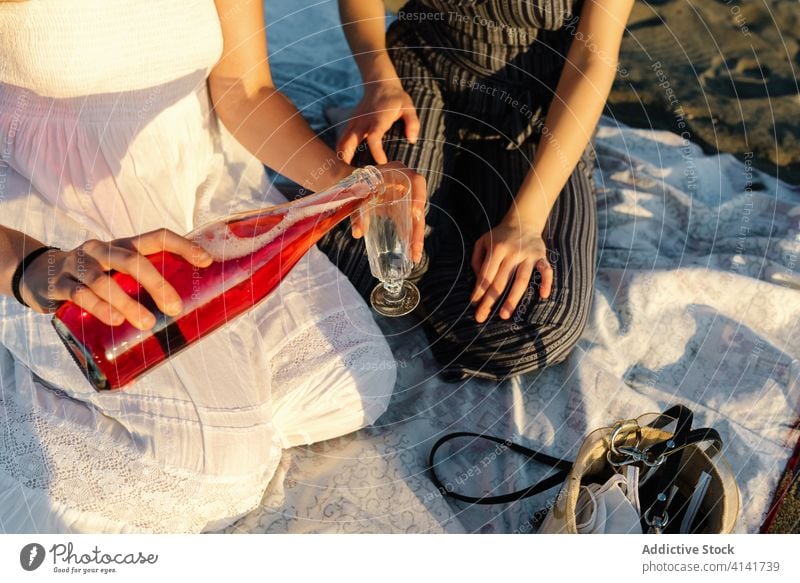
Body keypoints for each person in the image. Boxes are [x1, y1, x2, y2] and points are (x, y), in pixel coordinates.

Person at [0, 0, 425, 533]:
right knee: (222, 470)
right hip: (55, 206)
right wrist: (31, 266)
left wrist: (345, 187)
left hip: (196, 173)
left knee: (353, 382)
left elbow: (244, 90)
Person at [318, 0, 633, 380]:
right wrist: (379, 81)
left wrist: (525, 221)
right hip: (422, 84)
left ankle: (455, 210)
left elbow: (592, 60)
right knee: (355, 262)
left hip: (537, 120)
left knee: (532, 329)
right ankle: (450, 206)